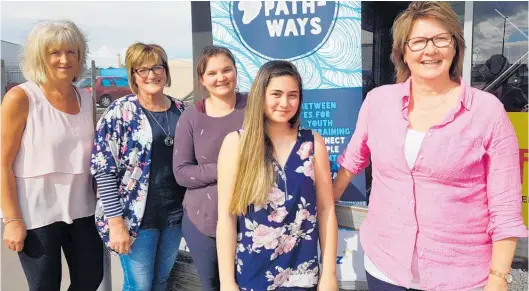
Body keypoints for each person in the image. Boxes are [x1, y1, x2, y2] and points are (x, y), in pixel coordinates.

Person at [333, 2, 527, 291]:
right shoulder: (378, 101)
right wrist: (319, 208)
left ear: (455, 46)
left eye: (440, 39)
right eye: (419, 41)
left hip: (461, 276)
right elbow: (353, 160)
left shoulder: (487, 112)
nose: (430, 50)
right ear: (402, 51)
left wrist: (498, 279)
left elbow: (506, 207)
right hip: (384, 267)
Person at [216, 60, 339, 291]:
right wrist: (226, 282)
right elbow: (226, 217)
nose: (285, 103)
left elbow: (326, 210)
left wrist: (329, 275)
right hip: (252, 274)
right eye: (276, 94)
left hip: (303, 273)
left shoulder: (313, 143)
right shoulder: (237, 144)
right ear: (260, 95)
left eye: (293, 95)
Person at [1, 20, 103, 290]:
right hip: (36, 214)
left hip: (83, 209)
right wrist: (12, 220)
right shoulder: (21, 97)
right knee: (45, 286)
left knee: (90, 279)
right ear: (40, 56)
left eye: (72, 52)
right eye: (54, 52)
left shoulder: (86, 99)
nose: (64, 59)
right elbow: (3, 164)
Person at [91, 42, 186, 291]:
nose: (151, 75)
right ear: (133, 75)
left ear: (165, 70)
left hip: (174, 216)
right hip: (135, 219)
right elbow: (104, 169)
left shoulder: (182, 111)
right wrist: (115, 222)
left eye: (157, 67)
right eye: (142, 70)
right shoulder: (119, 113)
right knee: (139, 286)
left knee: (162, 281)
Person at [172, 45, 246, 291]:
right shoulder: (191, 118)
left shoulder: (256, 108)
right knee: (213, 285)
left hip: (251, 217)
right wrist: (226, 168)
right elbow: (181, 172)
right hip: (203, 219)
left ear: (236, 71)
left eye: (226, 70)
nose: (221, 77)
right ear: (202, 80)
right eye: (212, 73)